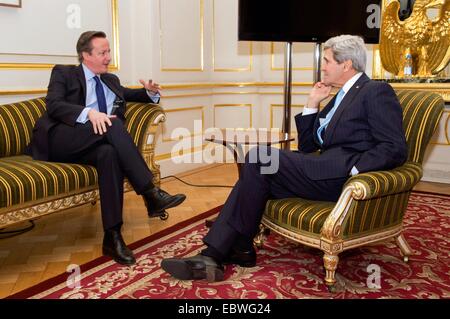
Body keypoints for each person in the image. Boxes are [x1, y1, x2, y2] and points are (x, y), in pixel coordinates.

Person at [161, 35, 407, 282]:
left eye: (327, 61)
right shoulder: (339, 95)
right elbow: (309, 146)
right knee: (254, 176)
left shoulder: (374, 91)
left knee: (259, 157)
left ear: (347, 64)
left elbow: (394, 146)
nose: (322, 66)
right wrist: (312, 103)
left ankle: (231, 249)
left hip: (337, 176)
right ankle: (227, 253)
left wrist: (353, 171)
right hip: (319, 167)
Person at [28, 31, 186, 266]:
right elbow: (54, 105)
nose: (108, 57)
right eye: (102, 53)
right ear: (85, 55)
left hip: (92, 143)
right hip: (59, 139)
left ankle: (112, 236)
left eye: (108, 51)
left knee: (109, 154)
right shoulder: (63, 73)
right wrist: (89, 113)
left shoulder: (110, 80)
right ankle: (150, 193)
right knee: (111, 123)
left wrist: (150, 92)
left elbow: (132, 95)